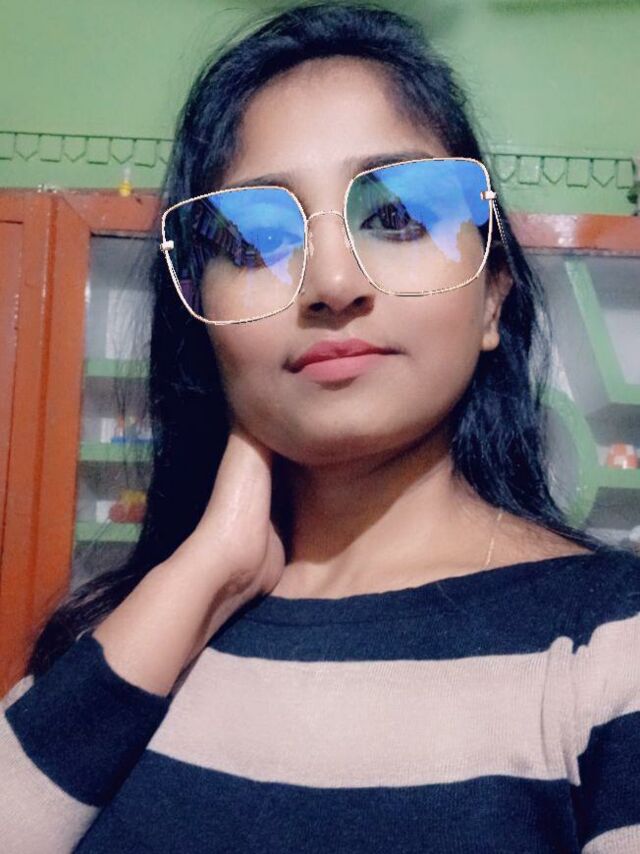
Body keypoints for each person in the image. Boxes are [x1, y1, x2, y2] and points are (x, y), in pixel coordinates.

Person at [2, 2, 639, 851]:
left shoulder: (613, 647)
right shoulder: (134, 636)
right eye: (254, 240)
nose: (332, 283)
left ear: (493, 298)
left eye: (398, 216)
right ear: (201, 321)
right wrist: (207, 572)